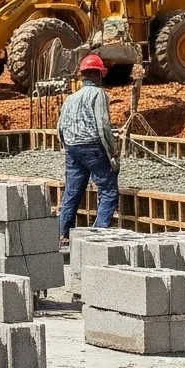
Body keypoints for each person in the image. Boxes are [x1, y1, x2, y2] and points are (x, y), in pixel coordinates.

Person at [57, 52, 122, 234]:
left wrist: (69, 148)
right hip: (93, 147)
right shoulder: (98, 94)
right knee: (108, 190)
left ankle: (63, 234)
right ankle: (98, 236)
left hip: (72, 147)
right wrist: (112, 155)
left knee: (72, 192)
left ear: (83, 75)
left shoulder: (71, 98)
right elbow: (103, 126)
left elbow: (60, 127)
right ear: (98, 74)